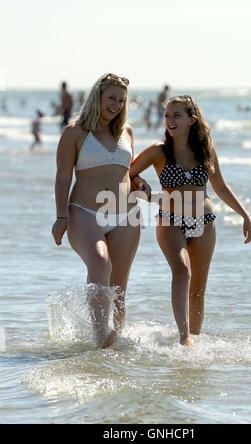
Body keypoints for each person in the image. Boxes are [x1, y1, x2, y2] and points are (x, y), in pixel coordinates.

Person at [130, 95, 251, 347]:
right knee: (182, 271)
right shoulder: (159, 151)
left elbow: (220, 186)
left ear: (191, 119)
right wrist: (142, 186)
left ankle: (193, 341)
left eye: (176, 115)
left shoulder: (205, 150)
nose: (170, 120)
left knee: (197, 290)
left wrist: (245, 215)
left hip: (205, 222)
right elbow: (128, 172)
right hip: (170, 220)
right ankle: (184, 337)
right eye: (167, 116)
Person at [51, 73, 151, 348]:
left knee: (118, 286)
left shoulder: (126, 132)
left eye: (121, 100)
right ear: (97, 97)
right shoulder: (74, 132)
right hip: (84, 212)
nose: (117, 104)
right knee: (99, 261)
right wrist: (61, 216)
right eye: (112, 98)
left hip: (125, 215)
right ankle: (99, 335)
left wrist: (140, 182)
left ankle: (116, 341)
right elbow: (62, 176)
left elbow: (129, 173)